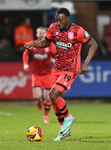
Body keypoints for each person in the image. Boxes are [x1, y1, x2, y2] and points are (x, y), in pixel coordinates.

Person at [24, 8, 97, 141]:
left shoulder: (78, 31)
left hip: (70, 69)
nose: (58, 22)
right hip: (57, 68)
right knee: (54, 100)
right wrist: (34, 44)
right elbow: (46, 42)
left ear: (68, 19)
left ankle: (68, 117)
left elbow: (94, 45)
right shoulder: (53, 27)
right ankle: (64, 129)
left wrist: (85, 64)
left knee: (53, 94)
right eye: (57, 19)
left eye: (61, 20)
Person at [23, 27, 56, 123]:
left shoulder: (50, 45)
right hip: (36, 74)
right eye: (39, 33)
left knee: (48, 97)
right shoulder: (33, 44)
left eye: (43, 33)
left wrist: (53, 59)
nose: (41, 34)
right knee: (37, 96)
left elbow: (56, 55)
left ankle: (45, 116)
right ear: (36, 35)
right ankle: (38, 101)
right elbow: (25, 53)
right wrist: (25, 64)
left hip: (47, 74)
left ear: (46, 34)